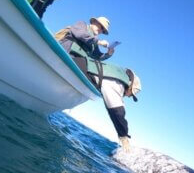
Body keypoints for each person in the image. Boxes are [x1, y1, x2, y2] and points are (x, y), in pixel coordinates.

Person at [56, 17, 141, 151]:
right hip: (65, 54)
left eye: (102, 29)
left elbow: (97, 57)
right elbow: (79, 34)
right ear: (93, 22)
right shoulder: (82, 25)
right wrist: (99, 41)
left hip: (78, 63)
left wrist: (108, 54)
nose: (100, 30)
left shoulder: (95, 43)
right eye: (100, 27)